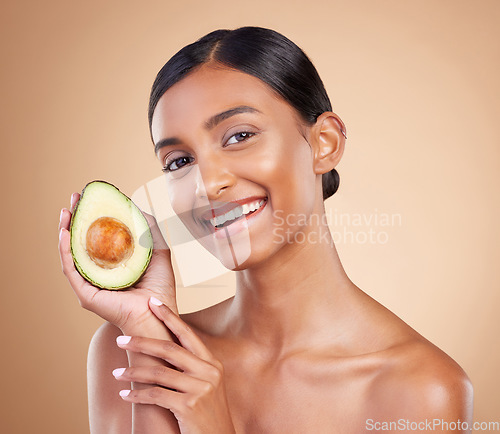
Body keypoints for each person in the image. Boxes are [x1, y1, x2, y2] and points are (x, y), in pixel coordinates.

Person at [58, 26, 473, 433]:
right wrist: (152, 334)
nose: (208, 183)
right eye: (179, 162)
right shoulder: (127, 348)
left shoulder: (421, 391)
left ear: (324, 143)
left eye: (239, 136)